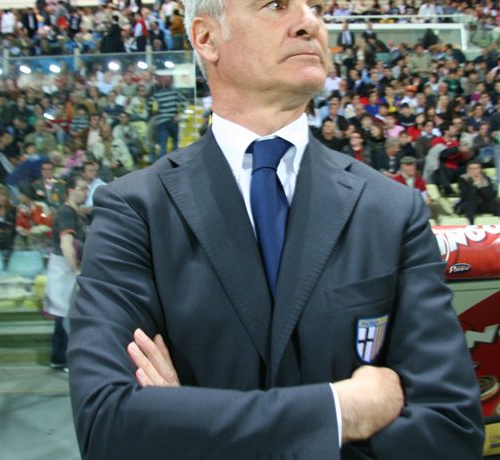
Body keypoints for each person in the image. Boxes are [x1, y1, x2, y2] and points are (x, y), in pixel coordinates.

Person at [69, 1, 483, 459]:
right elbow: (107, 425)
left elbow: (451, 428)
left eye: (316, 8)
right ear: (206, 38)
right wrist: (340, 412)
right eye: (276, 5)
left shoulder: (392, 210)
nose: (310, 23)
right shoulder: (134, 211)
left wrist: (189, 427)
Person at [44, 175, 88, 373]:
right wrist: (76, 269)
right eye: (82, 188)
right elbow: (66, 244)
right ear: (70, 190)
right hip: (65, 268)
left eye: (86, 189)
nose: (85, 192)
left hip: (66, 268)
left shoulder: (75, 212)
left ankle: (58, 357)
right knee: (67, 315)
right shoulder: (67, 213)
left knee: (64, 315)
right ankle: (65, 358)